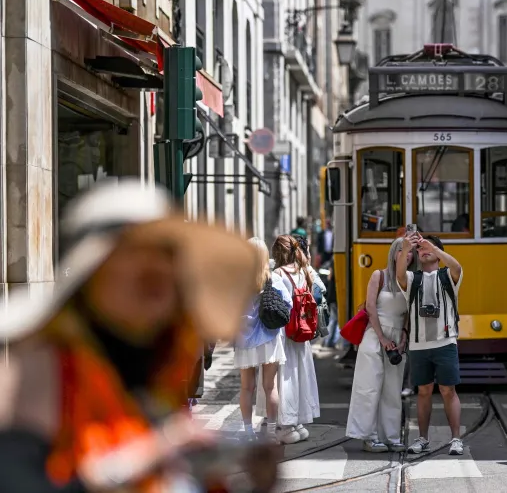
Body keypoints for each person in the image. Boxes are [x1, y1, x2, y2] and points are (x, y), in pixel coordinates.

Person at [0, 181, 276, 492]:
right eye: (137, 252)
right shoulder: (36, 371)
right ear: (91, 273)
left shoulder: (160, 369)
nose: (158, 268)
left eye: (168, 255)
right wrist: (152, 453)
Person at [396, 233, 465, 456]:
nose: (424, 251)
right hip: (418, 345)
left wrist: (434, 249)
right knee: (423, 392)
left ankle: (456, 439)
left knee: (448, 390)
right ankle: (422, 438)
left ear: (438, 252)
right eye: (421, 249)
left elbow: (457, 266)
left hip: (446, 342)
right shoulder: (413, 279)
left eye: (429, 248)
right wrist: (407, 247)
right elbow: (399, 274)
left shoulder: (447, 276)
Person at [346, 238, 416, 452]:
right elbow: (370, 307)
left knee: (392, 390)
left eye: (411, 252)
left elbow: (406, 312)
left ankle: (392, 437)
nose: (408, 255)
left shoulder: (411, 279)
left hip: (397, 337)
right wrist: (382, 338)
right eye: (403, 251)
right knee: (369, 387)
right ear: (394, 253)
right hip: (375, 335)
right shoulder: (379, 275)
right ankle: (369, 436)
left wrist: (404, 333)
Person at [235, 238, 288, 442]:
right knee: (270, 387)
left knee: (247, 387)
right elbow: (287, 305)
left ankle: (248, 433)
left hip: (244, 338)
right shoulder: (274, 279)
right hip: (269, 338)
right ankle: (272, 433)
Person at [271, 234, 322, 444]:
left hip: (285, 332)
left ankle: (286, 425)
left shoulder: (278, 274)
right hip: (302, 331)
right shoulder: (303, 272)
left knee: (286, 376)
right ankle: (299, 422)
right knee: (301, 372)